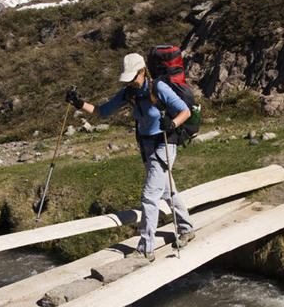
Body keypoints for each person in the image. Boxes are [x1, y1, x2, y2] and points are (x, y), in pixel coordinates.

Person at [66, 52, 195, 262]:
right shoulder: (129, 93)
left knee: (149, 195)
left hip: (164, 144)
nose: (131, 82)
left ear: (143, 71)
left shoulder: (159, 88)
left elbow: (185, 111)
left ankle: (146, 248)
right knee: (165, 191)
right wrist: (79, 103)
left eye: (133, 77)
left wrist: (171, 124)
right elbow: (103, 111)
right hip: (146, 146)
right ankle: (186, 229)